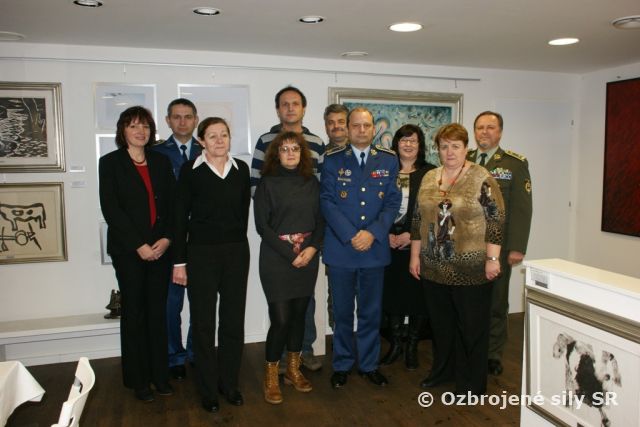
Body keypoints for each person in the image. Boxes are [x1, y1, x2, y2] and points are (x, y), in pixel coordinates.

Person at [409, 123, 505, 396]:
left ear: (465, 149)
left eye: (455, 146)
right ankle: (443, 372)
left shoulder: (481, 177)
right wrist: (415, 255)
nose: (449, 152)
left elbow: (496, 220)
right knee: (442, 326)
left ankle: (471, 384)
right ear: (437, 150)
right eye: (444, 147)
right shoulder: (430, 177)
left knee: (471, 328)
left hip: (471, 267)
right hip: (434, 267)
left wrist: (493, 258)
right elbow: (418, 219)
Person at [172, 117, 250, 413]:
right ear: (201, 141)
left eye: (224, 135)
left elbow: (242, 213)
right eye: (213, 136)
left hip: (236, 253)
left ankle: (229, 384)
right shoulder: (190, 171)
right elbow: (180, 219)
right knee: (203, 323)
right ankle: (207, 389)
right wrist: (179, 262)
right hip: (201, 254)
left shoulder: (241, 169)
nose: (219, 140)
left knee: (233, 321)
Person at [321, 107, 401, 389]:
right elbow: (327, 201)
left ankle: (369, 364)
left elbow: (392, 202)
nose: (362, 130)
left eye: (366, 125)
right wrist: (351, 235)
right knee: (342, 312)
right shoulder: (332, 160)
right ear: (348, 128)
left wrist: (373, 233)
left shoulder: (389, 160)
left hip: (373, 250)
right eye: (356, 125)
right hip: (341, 249)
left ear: (373, 129)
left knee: (370, 312)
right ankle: (342, 363)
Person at [99, 106, 175, 402]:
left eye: (144, 126)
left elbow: (171, 205)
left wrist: (166, 239)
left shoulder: (161, 161)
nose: (140, 131)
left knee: (157, 312)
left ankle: (160, 375)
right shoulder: (110, 163)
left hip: (160, 249)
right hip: (129, 251)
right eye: (133, 126)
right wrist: (138, 245)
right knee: (135, 313)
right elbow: (112, 210)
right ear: (123, 131)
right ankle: (138, 379)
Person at [250, 86, 325, 372]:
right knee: (281, 317)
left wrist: (311, 247)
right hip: (278, 252)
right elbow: (257, 193)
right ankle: (276, 365)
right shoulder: (265, 147)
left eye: (295, 103)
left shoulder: (317, 146)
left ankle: (301, 356)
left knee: (302, 311)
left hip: (308, 251)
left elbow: (320, 206)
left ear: (303, 108)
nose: (290, 108)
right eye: (285, 104)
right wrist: (274, 205)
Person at [468, 111, 533, 376]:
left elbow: (522, 208)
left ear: (500, 132)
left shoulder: (515, 164)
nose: (484, 132)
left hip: (500, 244)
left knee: (496, 301)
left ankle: (492, 354)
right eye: (480, 127)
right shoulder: (465, 159)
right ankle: (470, 348)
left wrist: (517, 246)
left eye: (490, 127)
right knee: (469, 301)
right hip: (467, 246)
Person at [152, 98, 201, 381]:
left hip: (201, 239)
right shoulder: (157, 153)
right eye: (177, 117)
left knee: (201, 301)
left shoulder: (207, 149)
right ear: (168, 120)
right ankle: (174, 355)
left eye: (188, 116)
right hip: (171, 239)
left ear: (196, 120)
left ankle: (195, 352)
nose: (183, 122)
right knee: (171, 304)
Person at [380, 125, 435, 370]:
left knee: (417, 298)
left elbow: (434, 212)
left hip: (418, 247)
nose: (408, 145)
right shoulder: (385, 171)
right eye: (404, 140)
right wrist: (386, 234)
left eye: (413, 140)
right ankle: (395, 345)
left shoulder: (431, 173)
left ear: (420, 145)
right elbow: (376, 205)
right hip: (388, 244)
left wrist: (412, 236)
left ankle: (412, 346)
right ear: (396, 144)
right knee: (391, 296)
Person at [322, 103, 350, 331]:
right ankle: (339, 339)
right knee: (337, 295)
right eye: (331, 122)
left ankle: (366, 342)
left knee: (367, 295)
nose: (336, 126)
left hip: (366, 236)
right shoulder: (320, 157)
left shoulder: (365, 153)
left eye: (341, 121)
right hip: (332, 236)